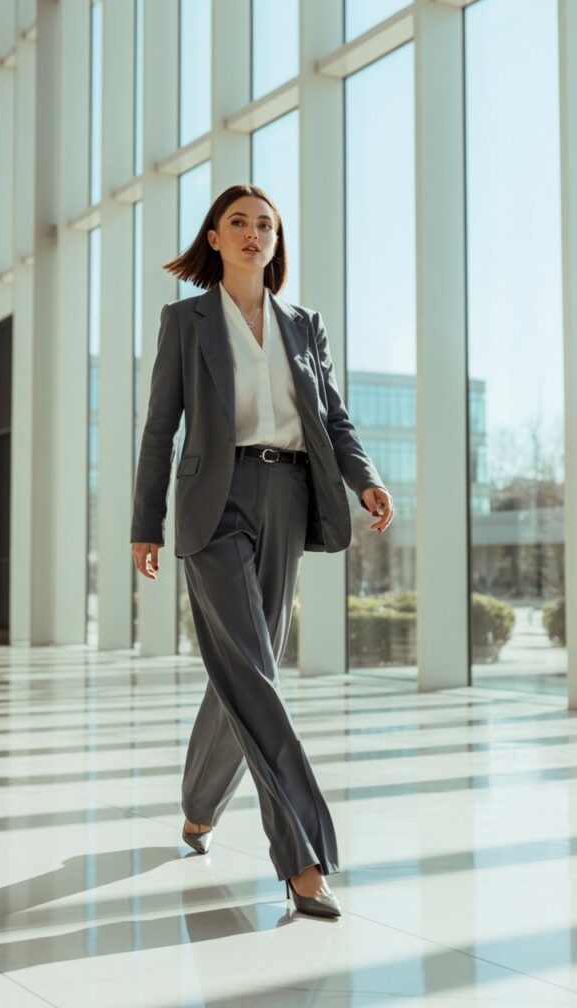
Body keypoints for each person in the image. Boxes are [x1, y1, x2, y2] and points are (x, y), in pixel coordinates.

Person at [131, 183, 394, 919]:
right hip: (213, 506)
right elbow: (160, 429)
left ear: (278, 242)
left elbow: (332, 419)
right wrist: (143, 522)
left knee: (245, 671)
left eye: (266, 225)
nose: (254, 233)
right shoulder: (185, 322)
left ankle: (198, 804)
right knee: (251, 666)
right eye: (238, 222)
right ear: (213, 238)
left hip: (287, 498)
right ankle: (303, 856)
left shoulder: (304, 325)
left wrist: (364, 479)